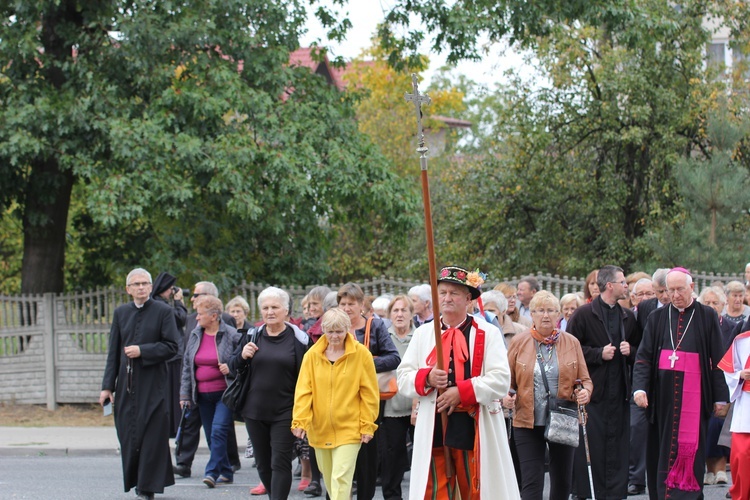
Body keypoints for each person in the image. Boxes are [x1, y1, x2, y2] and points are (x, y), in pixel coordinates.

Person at [397, 266, 520, 500]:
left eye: (454, 293)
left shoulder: (487, 333)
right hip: (434, 426)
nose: (447, 298)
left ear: (468, 298)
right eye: (442, 292)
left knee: (475, 489)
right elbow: (403, 378)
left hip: (474, 425)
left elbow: (501, 380)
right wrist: (428, 377)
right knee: (434, 491)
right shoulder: (423, 334)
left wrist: (461, 392)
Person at [633, 268, 729, 499]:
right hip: (662, 398)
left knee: (692, 449)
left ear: (691, 287)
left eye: (680, 289)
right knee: (661, 450)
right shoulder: (656, 317)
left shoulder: (707, 315)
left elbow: (718, 359)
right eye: (670, 290)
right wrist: (640, 388)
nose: (674, 295)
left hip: (695, 399)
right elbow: (644, 357)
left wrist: (720, 396)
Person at [100, 268, 180, 500]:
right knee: (128, 434)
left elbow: (172, 346)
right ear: (128, 289)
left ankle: (146, 487)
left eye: (145, 283)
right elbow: (113, 353)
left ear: (151, 286)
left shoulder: (163, 311)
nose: (141, 287)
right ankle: (135, 480)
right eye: (136, 284)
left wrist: (143, 351)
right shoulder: (121, 313)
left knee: (151, 436)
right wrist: (107, 387)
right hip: (126, 386)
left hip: (153, 385)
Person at [506, 290, 593, 500]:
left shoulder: (571, 342)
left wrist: (585, 393)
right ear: (532, 314)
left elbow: (586, 380)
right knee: (531, 480)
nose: (545, 315)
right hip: (526, 419)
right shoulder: (519, 342)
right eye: (540, 311)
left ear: (558, 315)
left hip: (563, 416)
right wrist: (506, 397)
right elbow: (507, 381)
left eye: (551, 311)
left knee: (562, 479)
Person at [229, 286, 312, 499]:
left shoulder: (300, 339)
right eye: (265, 308)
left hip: (285, 411)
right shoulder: (251, 335)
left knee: (280, 462)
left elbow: (309, 376)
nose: (270, 312)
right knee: (263, 465)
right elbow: (232, 366)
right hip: (254, 411)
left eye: (275, 307)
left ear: (286, 310)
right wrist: (242, 356)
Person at [568, 265, 641, 499]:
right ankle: (588, 492)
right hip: (592, 395)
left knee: (619, 446)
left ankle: (616, 493)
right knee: (593, 447)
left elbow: (642, 353)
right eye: (623, 282)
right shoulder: (583, 314)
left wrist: (632, 351)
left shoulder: (628, 316)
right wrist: (598, 354)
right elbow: (571, 352)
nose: (627, 287)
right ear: (610, 285)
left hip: (619, 394)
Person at [292, 308, 380, 500]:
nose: (334, 336)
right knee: (331, 480)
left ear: (347, 329)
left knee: (341, 477)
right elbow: (304, 392)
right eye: (330, 331)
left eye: (339, 331)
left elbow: (369, 394)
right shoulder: (312, 356)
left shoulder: (361, 355)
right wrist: (300, 420)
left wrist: (367, 425)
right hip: (320, 427)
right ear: (323, 330)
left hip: (350, 428)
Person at [337, 282, 400, 500]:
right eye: (343, 304)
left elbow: (394, 357)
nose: (347, 308)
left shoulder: (375, 326)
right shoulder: (333, 326)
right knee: (339, 453)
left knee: (367, 453)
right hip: (339, 400)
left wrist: (364, 363)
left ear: (361, 304)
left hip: (367, 399)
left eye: (351, 303)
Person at [173, 281, 239, 479]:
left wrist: (231, 368)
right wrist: (184, 394)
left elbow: (243, 362)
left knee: (219, 431)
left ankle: (212, 472)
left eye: (201, 314)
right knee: (212, 436)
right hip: (201, 395)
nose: (197, 317)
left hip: (224, 394)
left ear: (214, 316)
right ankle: (226, 470)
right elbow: (187, 367)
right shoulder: (195, 335)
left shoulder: (232, 335)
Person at [380, 295, 416, 500]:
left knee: (422, 456)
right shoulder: (384, 336)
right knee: (392, 456)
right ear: (390, 314)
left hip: (418, 405)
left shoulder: (421, 336)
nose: (400, 314)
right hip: (391, 407)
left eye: (404, 310)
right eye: (396, 310)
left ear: (411, 314)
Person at [697, 287, 733, 485]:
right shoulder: (696, 325)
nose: (711, 306)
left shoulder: (730, 326)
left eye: (715, 303)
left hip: (723, 381)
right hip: (701, 382)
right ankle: (707, 469)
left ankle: (718, 468)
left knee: (718, 424)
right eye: (707, 303)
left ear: (722, 305)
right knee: (705, 424)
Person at [150, 272, 188, 438]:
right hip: (172, 357)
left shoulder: (156, 304)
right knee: (173, 393)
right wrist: (179, 302)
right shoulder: (162, 306)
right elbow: (181, 319)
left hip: (166, 355)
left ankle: (170, 426)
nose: (172, 291)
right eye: (170, 288)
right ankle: (173, 427)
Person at [718, 328, 750, 500]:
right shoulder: (741, 341)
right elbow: (729, 370)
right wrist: (741, 374)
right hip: (746, 404)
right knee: (742, 454)